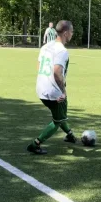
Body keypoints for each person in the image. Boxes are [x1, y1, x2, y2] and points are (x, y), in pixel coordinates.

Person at [27, 20, 77, 155]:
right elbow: (57, 72)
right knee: (57, 120)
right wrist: (63, 91)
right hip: (54, 91)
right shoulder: (62, 50)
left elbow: (38, 66)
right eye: (71, 32)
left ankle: (70, 135)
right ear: (66, 33)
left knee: (60, 115)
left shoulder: (46, 46)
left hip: (41, 88)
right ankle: (35, 144)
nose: (72, 34)